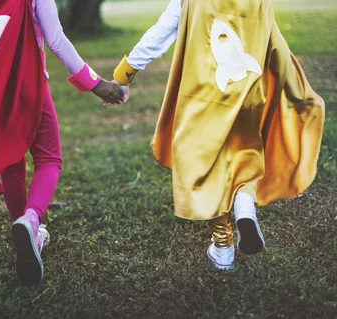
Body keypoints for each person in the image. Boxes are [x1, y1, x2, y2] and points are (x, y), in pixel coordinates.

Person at [0, 0, 125, 284]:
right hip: (26, 86)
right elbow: (55, 39)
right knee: (49, 158)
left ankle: (23, 230)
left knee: (11, 164)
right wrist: (94, 82)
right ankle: (30, 221)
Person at [111, 0, 324, 270]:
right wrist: (297, 91)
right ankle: (245, 206)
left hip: (203, 98)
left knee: (208, 165)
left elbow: (161, 31)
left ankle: (223, 248)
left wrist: (123, 76)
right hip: (248, 91)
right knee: (245, 150)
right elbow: (275, 45)